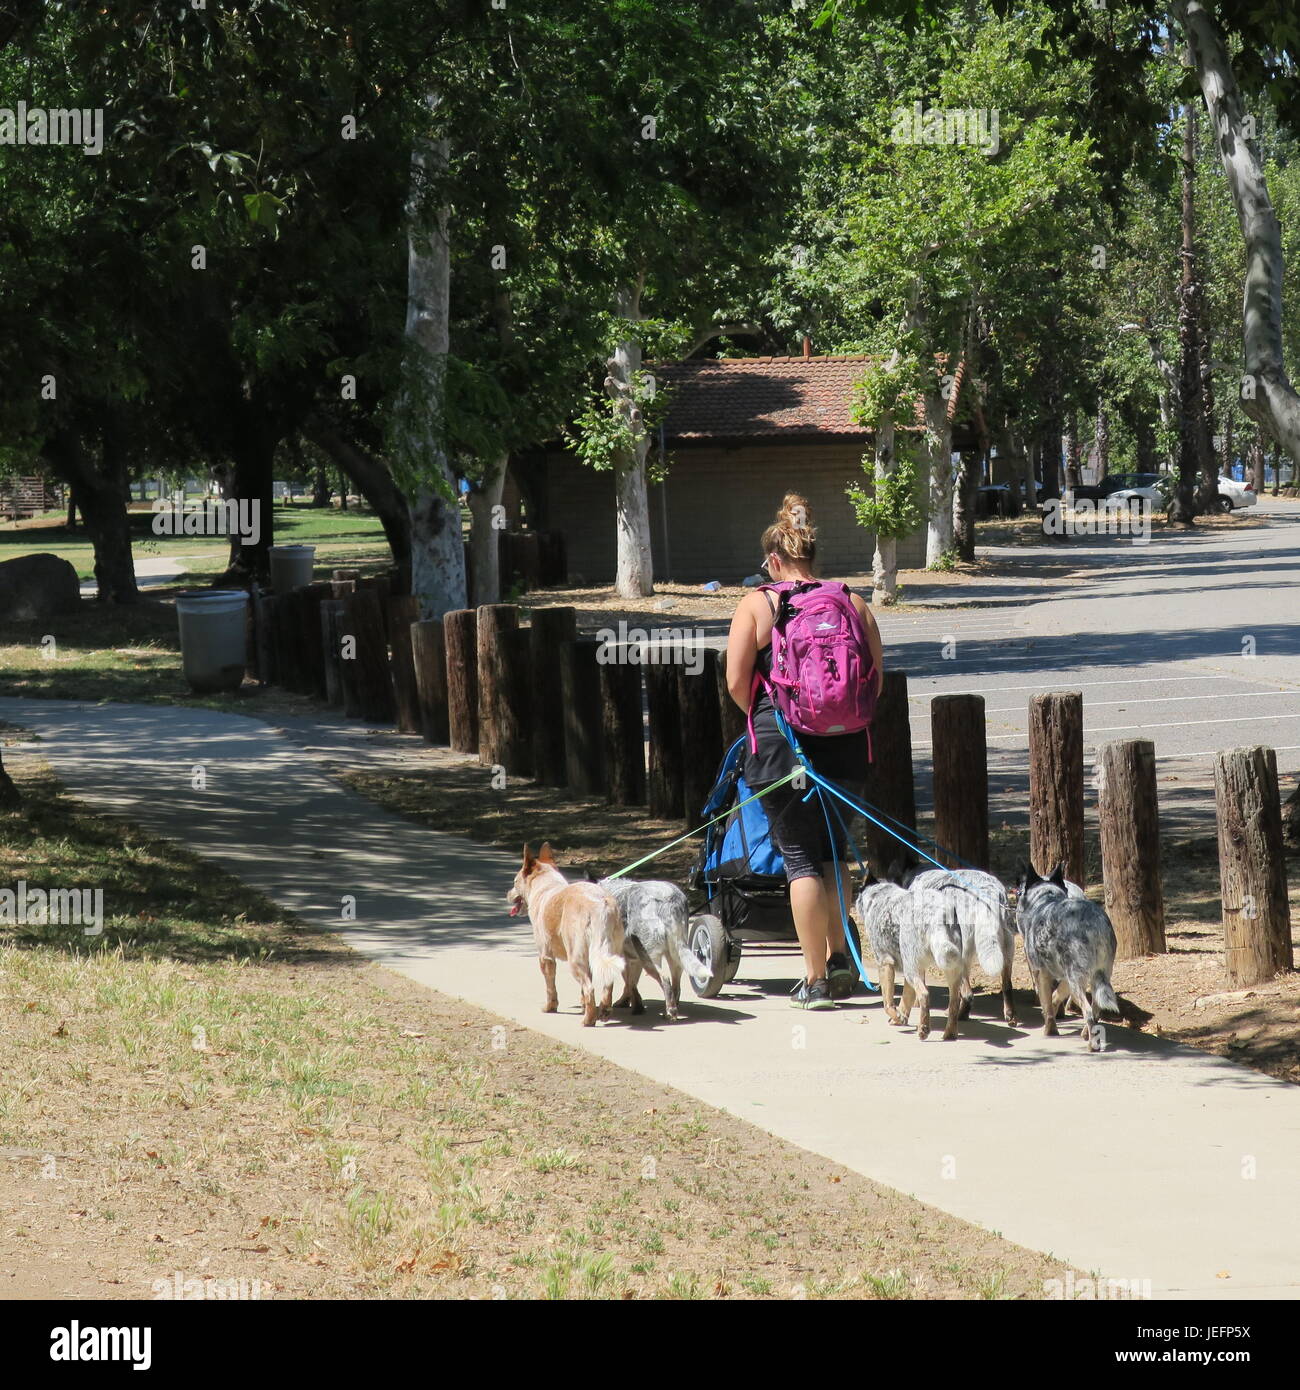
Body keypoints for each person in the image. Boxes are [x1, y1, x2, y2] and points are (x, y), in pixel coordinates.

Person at [725, 493, 884, 1010]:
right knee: (835, 851)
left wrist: (771, 711)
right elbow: (874, 679)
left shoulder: (758, 603)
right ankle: (842, 961)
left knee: (799, 859)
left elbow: (735, 681)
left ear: (773, 560)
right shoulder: (851, 601)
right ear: (812, 554)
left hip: (782, 747)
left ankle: (814, 981)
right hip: (846, 745)